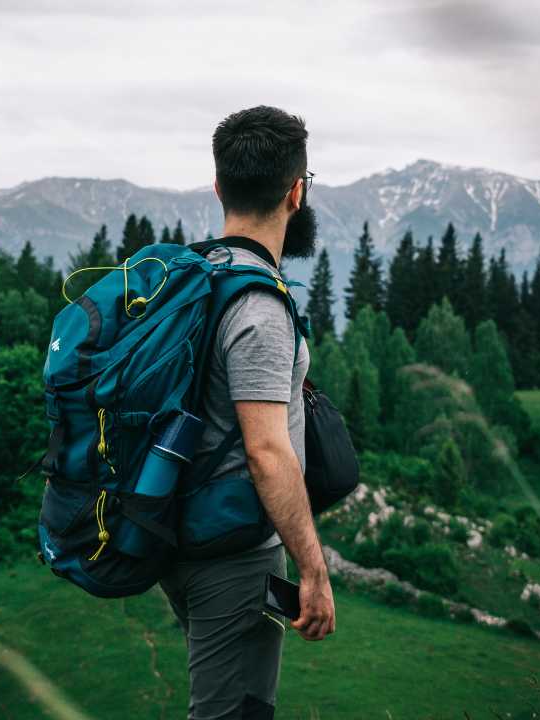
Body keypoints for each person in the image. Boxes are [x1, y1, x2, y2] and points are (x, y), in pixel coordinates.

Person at [161, 105, 335, 720]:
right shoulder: (258, 308)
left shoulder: (198, 276)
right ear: (297, 192)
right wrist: (313, 569)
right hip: (233, 554)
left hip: (181, 534)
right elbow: (266, 453)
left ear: (217, 186)